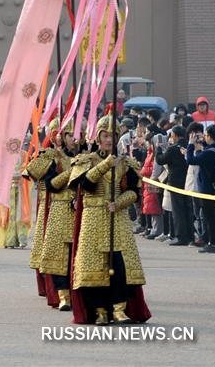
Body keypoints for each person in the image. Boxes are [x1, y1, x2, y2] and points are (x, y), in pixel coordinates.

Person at [67, 115, 151, 325]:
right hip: (93, 216)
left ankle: (119, 308)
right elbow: (83, 185)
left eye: (112, 136)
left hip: (117, 218)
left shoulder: (125, 162)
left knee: (119, 264)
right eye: (104, 136)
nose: (108, 140)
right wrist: (105, 165)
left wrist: (119, 202)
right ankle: (100, 310)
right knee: (93, 265)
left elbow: (134, 192)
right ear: (97, 137)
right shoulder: (85, 160)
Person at [25, 120, 77, 310]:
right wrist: (71, 171)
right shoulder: (51, 156)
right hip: (59, 208)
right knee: (58, 253)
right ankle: (62, 294)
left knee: (78, 253)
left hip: (83, 210)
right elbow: (49, 183)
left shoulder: (87, 156)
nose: (75, 139)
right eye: (71, 135)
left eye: (78, 135)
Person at [185, 124, 215, 253]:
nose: (204, 137)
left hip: (207, 189)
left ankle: (213, 243)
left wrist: (191, 145)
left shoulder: (208, 153)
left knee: (210, 217)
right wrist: (201, 144)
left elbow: (190, 160)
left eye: (206, 135)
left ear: (211, 137)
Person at [155, 125, 192, 245]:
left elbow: (161, 160)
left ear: (175, 136)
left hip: (175, 183)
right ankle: (190, 236)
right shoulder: (189, 146)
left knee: (178, 210)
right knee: (188, 209)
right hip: (188, 182)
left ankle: (181, 237)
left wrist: (159, 149)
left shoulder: (173, 149)